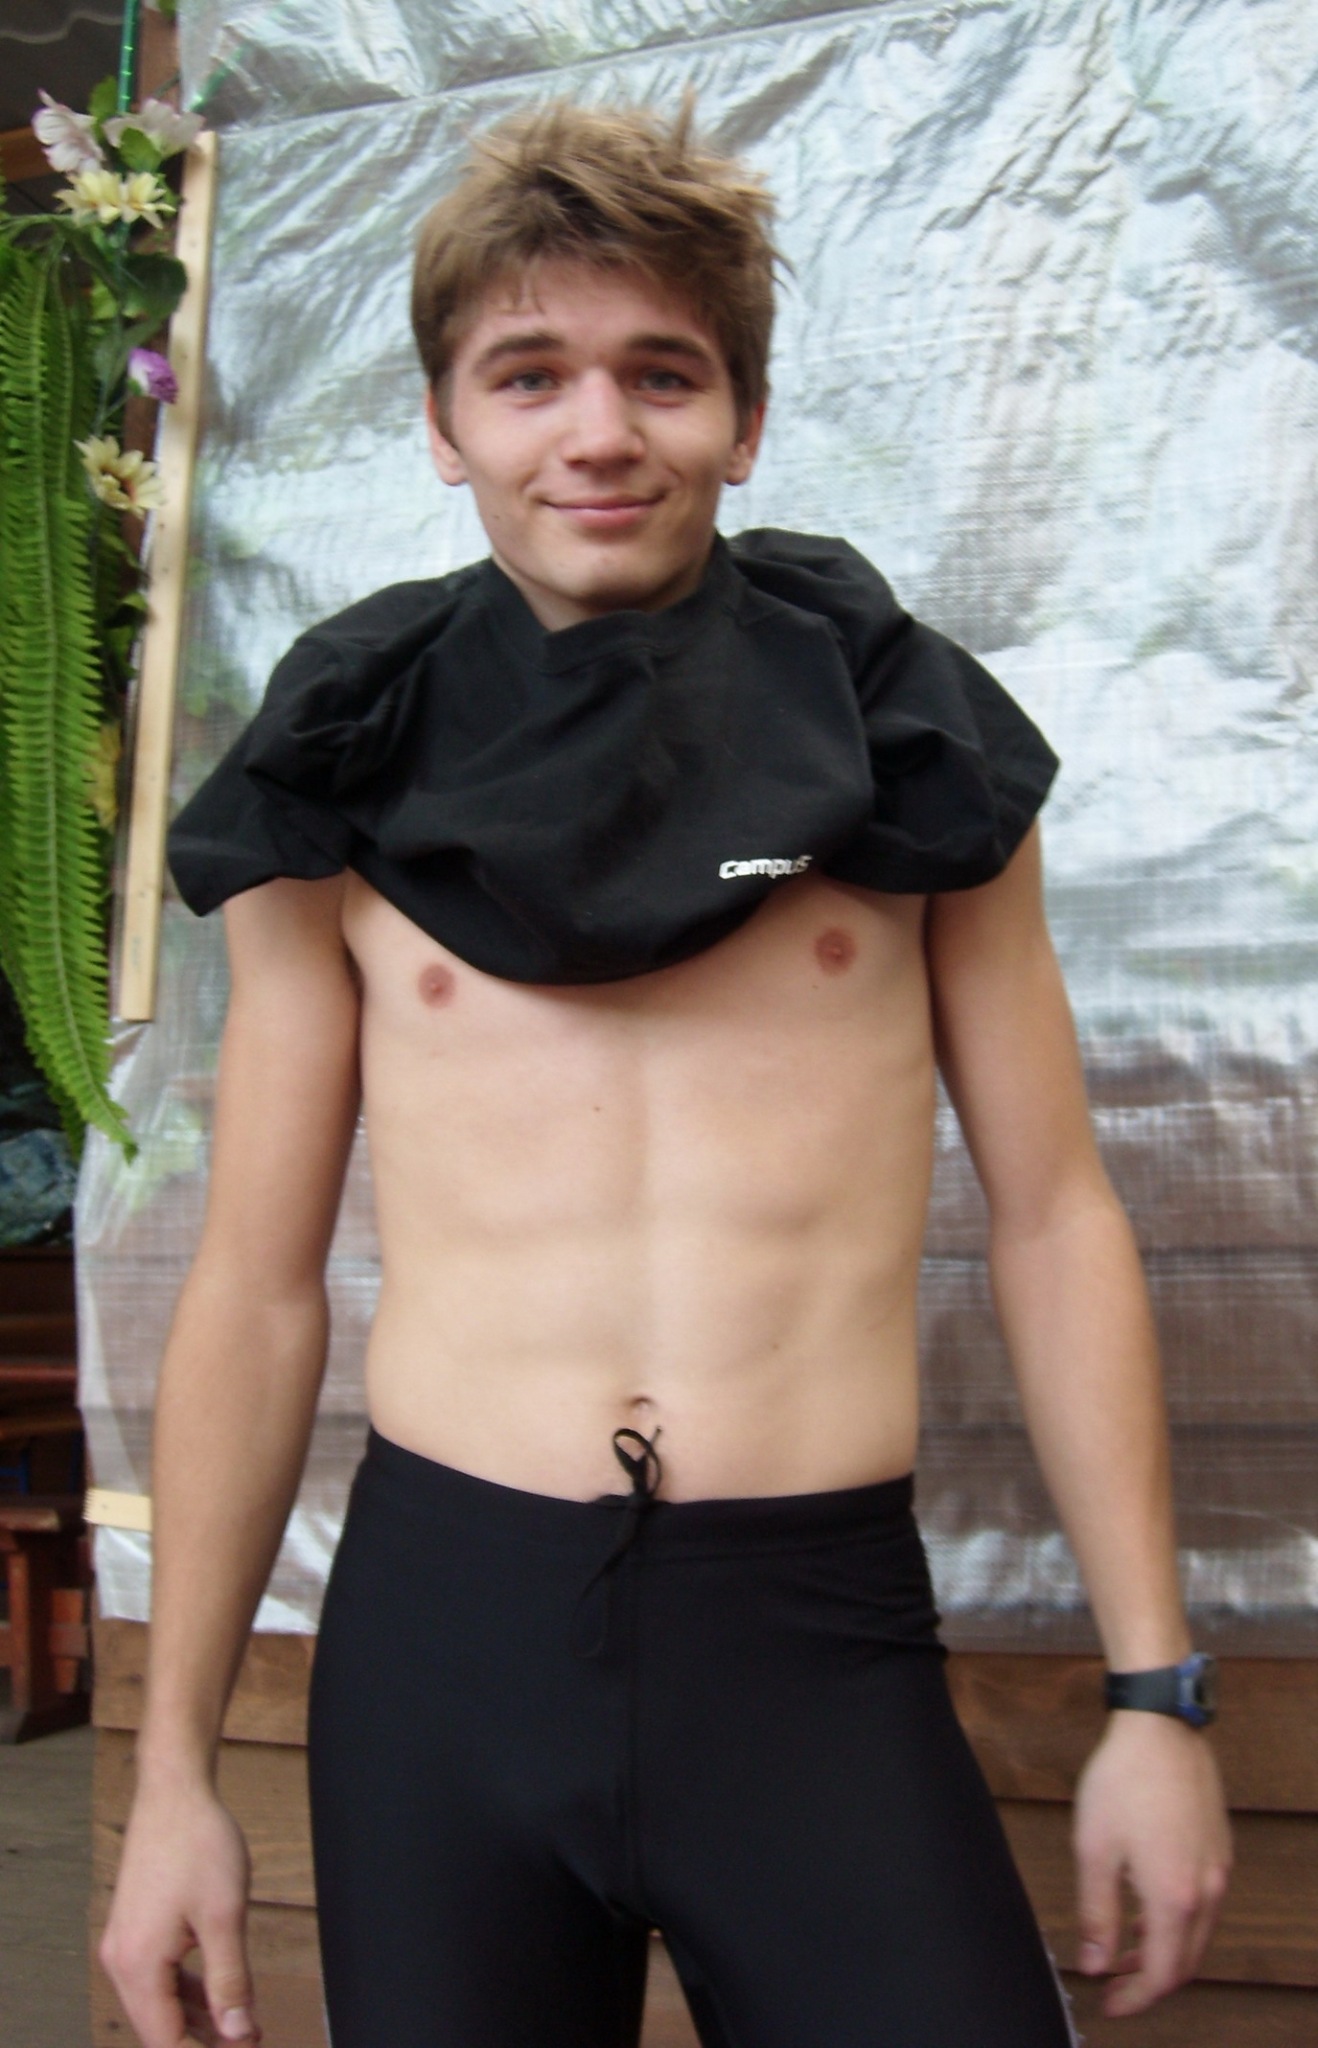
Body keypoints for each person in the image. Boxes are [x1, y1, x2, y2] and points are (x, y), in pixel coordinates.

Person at [101, 99, 1231, 2048]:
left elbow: (1055, 1215)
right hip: (444, 1647)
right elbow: (258, 1285)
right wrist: (171, 1775)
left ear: (746, 419)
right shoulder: (344, 756)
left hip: (807, 1635)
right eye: (526, 375)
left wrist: (1154, 1693)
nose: (597, 431)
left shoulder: (902, 732)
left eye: (661, 373)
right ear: (443, 425)